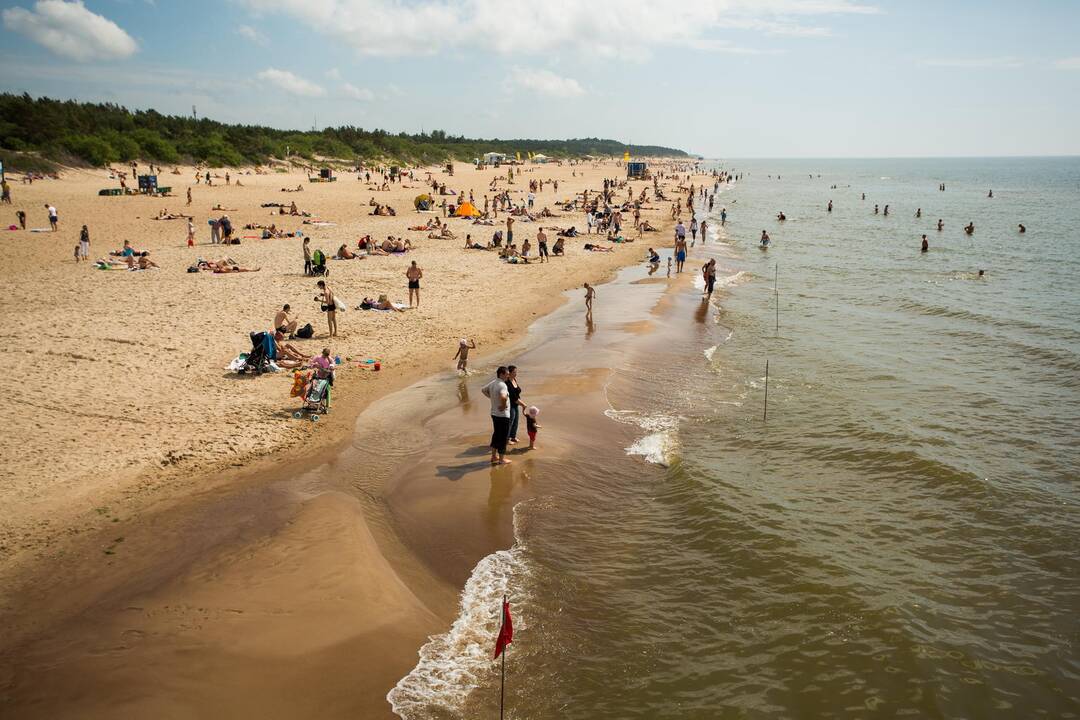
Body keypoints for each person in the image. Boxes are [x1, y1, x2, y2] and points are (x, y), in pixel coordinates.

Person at [482, 367, 512, 465]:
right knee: (503, 437)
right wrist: (503, 405)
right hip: (502, 415)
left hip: (494, 414)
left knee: (496, 435)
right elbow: (503, 397)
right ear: (501, 374)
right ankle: (501, 459)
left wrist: (492, 398)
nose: (508, 375)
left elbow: (483, 390)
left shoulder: (493, 382)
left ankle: (494, 456)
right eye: (507, 374)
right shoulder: (502, 385)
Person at [506, 365, 525, 444]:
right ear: (509, 373)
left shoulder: (514, 379)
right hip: (510, 405)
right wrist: (523, 404)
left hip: (516, 404)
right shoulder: (507, 383)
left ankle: (513, 437)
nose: (516, 374)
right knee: (510, 422)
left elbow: (517, 393)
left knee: (516, 421)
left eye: (516, 372)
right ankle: (507, 439)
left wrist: (520, 403)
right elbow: (513, 397)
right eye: (514, 372)